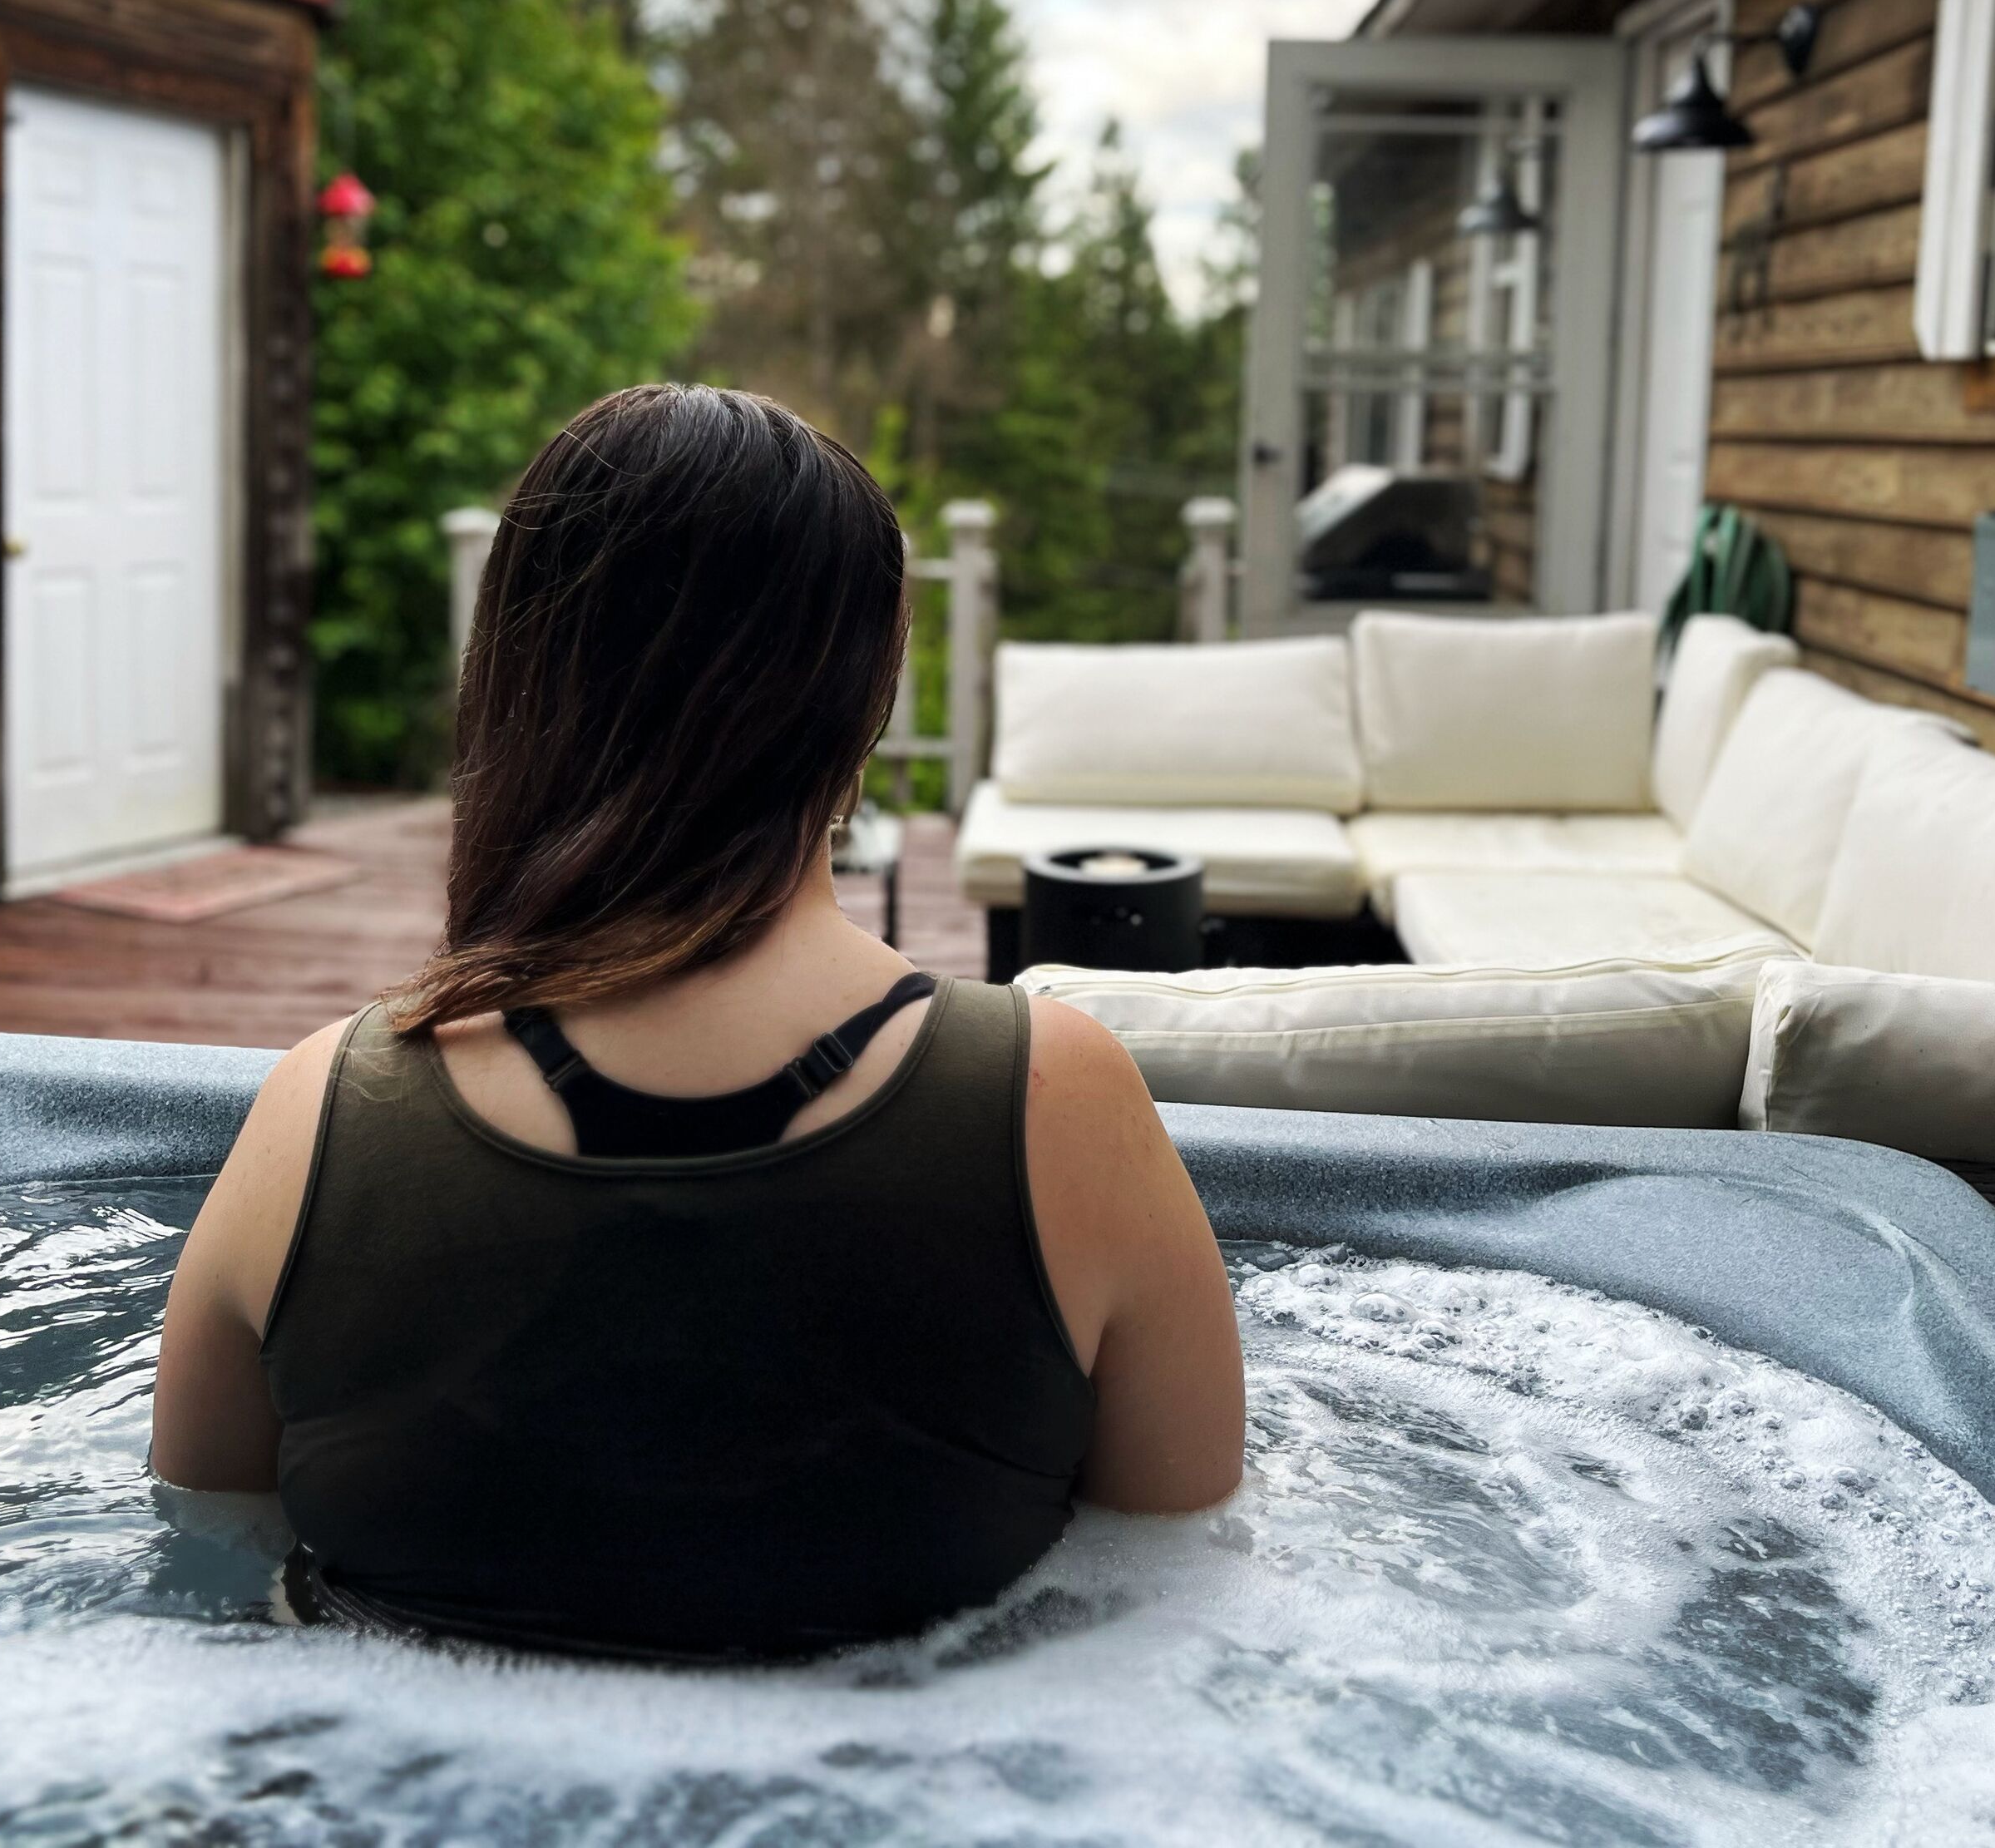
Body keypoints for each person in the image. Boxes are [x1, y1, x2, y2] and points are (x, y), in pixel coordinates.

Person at [151, 383, 1243, 1661]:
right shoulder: (1053, 1101)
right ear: (862, 700)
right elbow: (1182, 1583)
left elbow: (201, 1551)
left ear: (516, 678)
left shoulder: (326, 1108)